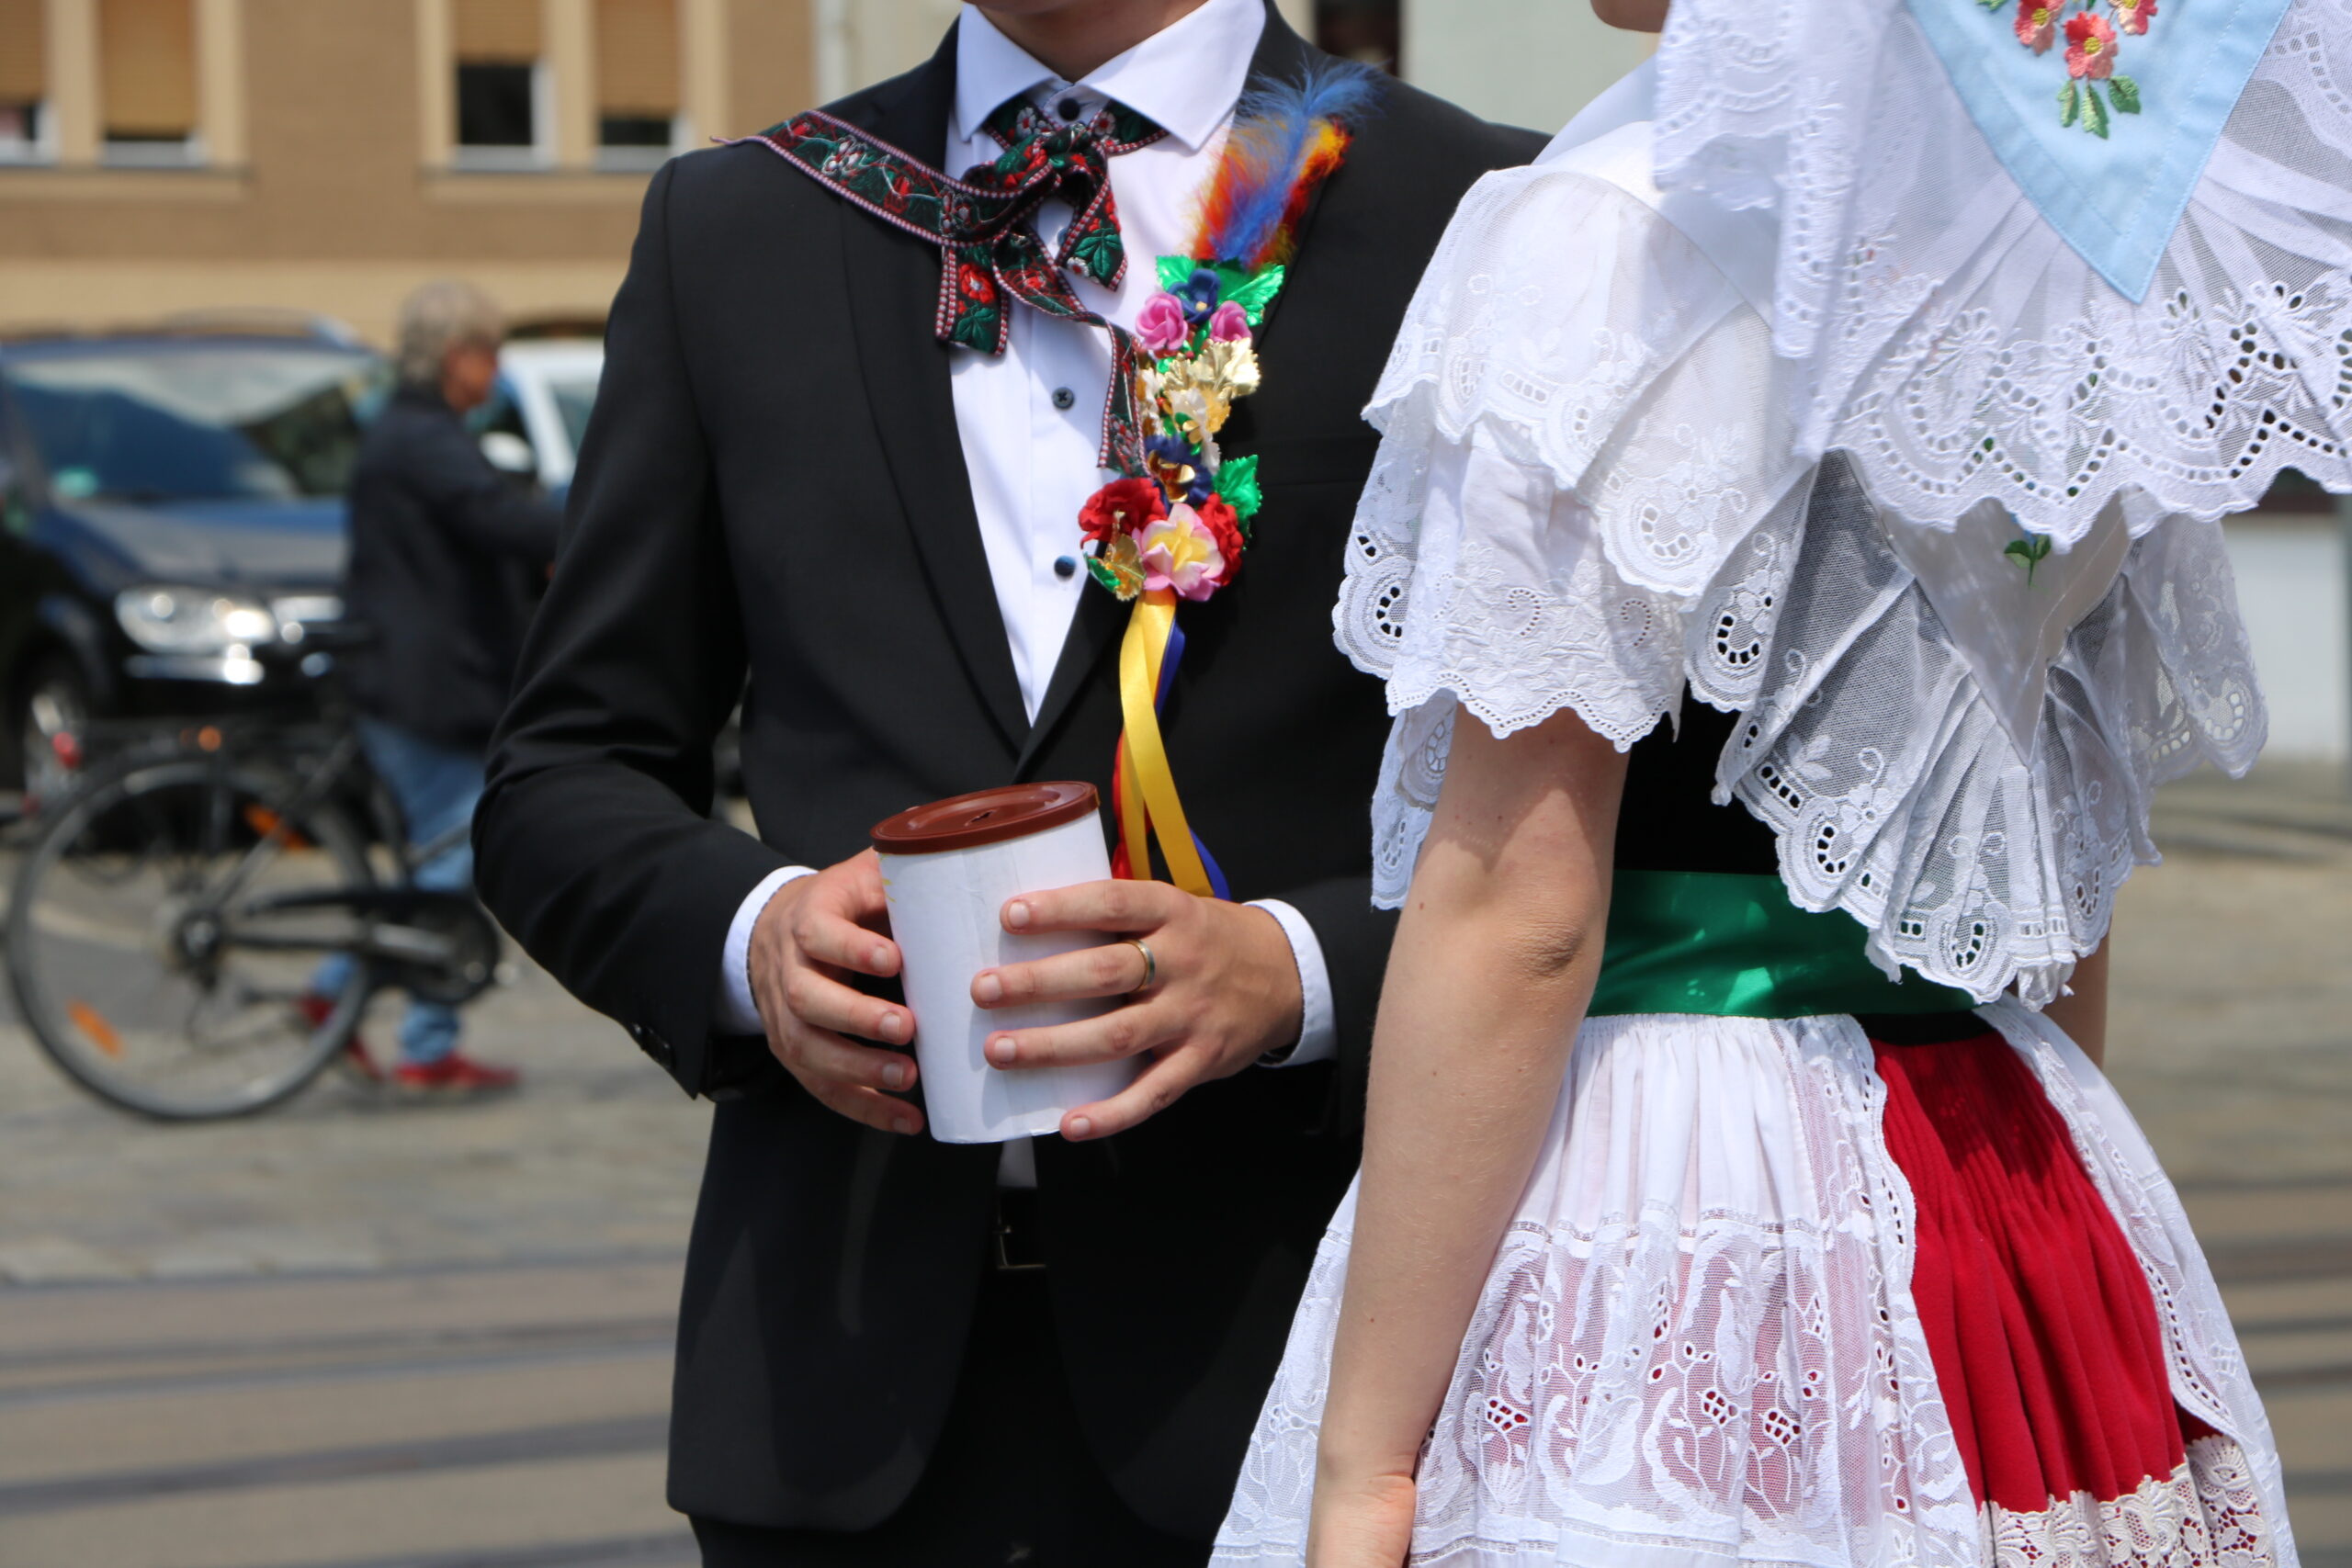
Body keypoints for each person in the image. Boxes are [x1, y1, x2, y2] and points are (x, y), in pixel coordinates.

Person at [1212, 0, 2350, 1559]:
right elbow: (2055, 871)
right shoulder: (2060, 234)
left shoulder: (1619, 221)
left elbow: (1522, 909)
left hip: (1676, 1185)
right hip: (2012, 1171)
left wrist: (1365, 1466)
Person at [469, 0, 1544, 1562]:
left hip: (1314, 1374)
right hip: (838, 1400)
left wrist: (1299, 970)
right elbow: (560, 772)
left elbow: (1625, 821)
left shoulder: (1487, 208)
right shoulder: (741, 223)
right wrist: (754, 936)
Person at [311, 279, 559, 1095]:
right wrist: (593, 526)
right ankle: (421, 1043)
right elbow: (495, 517)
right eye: (489, 353)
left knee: (436, 852)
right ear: (457, 356)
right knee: (457, 850)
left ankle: (336, 997)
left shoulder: (409, 429)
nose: (496, 372)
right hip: (423, 683)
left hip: (409, 675)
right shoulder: (423, 437)